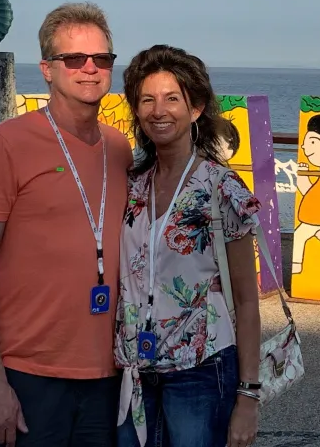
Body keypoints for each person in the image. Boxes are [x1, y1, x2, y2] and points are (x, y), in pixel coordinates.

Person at [0, 2, 133, 447]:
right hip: (29, 374)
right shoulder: (5, 145)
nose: (89, 69)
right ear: (47, 69)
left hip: (109, 374)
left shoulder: (118, 148)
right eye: (74, 59)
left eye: (101, 59)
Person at [113, 44, 263, 447]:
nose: (158, 111)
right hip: (133, 368)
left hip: (200, 370)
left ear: (195, 108)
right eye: (147, 100)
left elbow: (247, 299)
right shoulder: (130, 186)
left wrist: (248, 396)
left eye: (171, 99)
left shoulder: (220, 188)